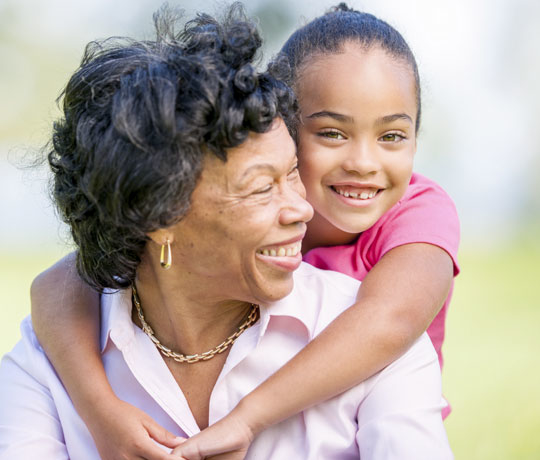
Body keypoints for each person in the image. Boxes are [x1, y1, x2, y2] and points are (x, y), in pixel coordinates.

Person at [0, 4, 452, 460]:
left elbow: (390, 321)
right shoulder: (51, 359)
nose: (362, 163)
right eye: (261, 187)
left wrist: (248, 417)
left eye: (392, 135)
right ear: (156, 218)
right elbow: (63, 280)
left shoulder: (393, 309)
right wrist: (98, 408)